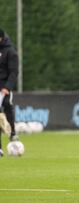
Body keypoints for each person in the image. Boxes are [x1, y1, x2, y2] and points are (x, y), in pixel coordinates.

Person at [0, 28, 19, 157]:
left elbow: (14, 72)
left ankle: (12, 131)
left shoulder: (10, 52)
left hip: (4, 88)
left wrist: (7, 87)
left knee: (7, 105)